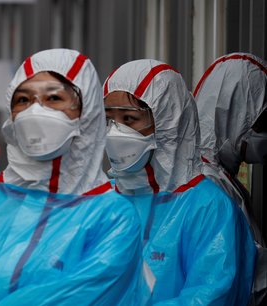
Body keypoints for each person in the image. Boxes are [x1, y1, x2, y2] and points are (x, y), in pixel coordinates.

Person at [0, 49, 151, 305]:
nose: (35, 111)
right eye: (22, 100)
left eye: (53, 98)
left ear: (87, 113)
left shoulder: (112, 217)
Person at [102, 58, 256, 304]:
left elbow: (210, 295)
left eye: (129, 120)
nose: (115, 132)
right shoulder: (105, 201)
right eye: (109, 119)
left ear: (167, 122)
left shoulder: (207, 207)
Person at [193, 52, 267, 303]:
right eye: (261, 124)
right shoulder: (207, 184)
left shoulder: (220, 177)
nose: (264, 135)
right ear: (234, 115)